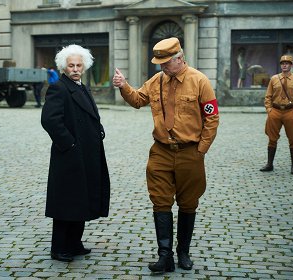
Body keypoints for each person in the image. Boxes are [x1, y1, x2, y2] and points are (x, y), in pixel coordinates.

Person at [112, 37, 219, 274]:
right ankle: (165, 255)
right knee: (160, 201)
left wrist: (201, 150)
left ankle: (183, 252)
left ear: (179, 58)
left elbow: (211, 118)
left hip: (190, 152)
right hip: (160, 151)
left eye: (166, 62)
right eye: (159, 62)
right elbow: (138, 100)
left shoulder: (200, 81)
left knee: (188, 203)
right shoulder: (156, 80)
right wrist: (123, 86)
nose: (161, 67)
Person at [41, 44, 110, 262]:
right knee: (66, 202)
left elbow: (90, 115)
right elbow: (49, 120)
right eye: (71, 65)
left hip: (87, 154)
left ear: (85, 66)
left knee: (81, 199)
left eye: (79, 65)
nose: (75, 69)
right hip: (69, 156)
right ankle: (59, 247)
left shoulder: (82, 87)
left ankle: (75, 243)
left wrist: (98, 128)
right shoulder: (59, 87)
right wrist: (69, 144)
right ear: (63, 67)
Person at [260, 55, 293, 175]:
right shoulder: (274, 79)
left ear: (291, 65)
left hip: (290, 112)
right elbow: (268, 96)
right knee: (272, 138)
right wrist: (269, 109)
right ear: (280, 65)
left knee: (292, 138)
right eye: (283, 63)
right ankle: (269, 164)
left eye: (287, 63)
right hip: (275, 111)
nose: (285, 65)